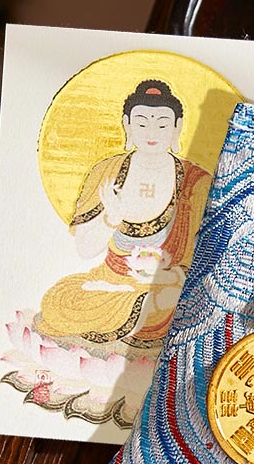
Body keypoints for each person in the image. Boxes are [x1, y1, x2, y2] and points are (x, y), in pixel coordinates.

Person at [36, 80, 210, 349]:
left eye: (162, 125)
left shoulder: (196, 181)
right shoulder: (106, 172)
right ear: (127, 124)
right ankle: (140, 312)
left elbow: (208, 256)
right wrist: (111, 219)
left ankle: (147, 310)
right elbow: (85, 248)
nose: (151, 132)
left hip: (168, 284)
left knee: (176, 302)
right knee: (59, 301)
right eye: (141, 123)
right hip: (110, 281)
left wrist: (171, 277)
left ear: (177, 127)